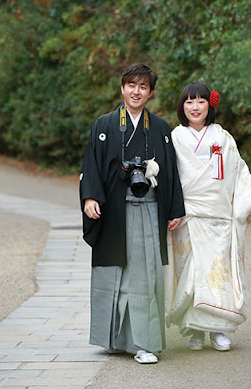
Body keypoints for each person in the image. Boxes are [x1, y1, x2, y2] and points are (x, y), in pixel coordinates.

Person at [79, 63, 185, 364]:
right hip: (114, 208)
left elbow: (172, 173)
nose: (136, 91)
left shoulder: (161, 128)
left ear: (150, 92)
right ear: (122, 88)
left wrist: (175, 208)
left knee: (144, 276)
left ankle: (143, 342)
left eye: (143, 87)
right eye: (131, 85)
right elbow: (92, 164)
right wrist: (90, 197)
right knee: (117, 273)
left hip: (149, 209)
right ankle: (114, 338)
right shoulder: (105, 125)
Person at [165, 82, 251, 351]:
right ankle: (197, 332)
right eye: (189, 102)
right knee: (192, 274)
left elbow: (239, 170)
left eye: (200, 101)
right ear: (182, 107)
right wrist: (171, 210)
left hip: (218, 218)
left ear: (209, 105)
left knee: (216, 274)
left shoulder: (222, 137)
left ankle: (219, 331)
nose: (195, 107)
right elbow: (169, 177)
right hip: (189, 216)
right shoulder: (175, 137)